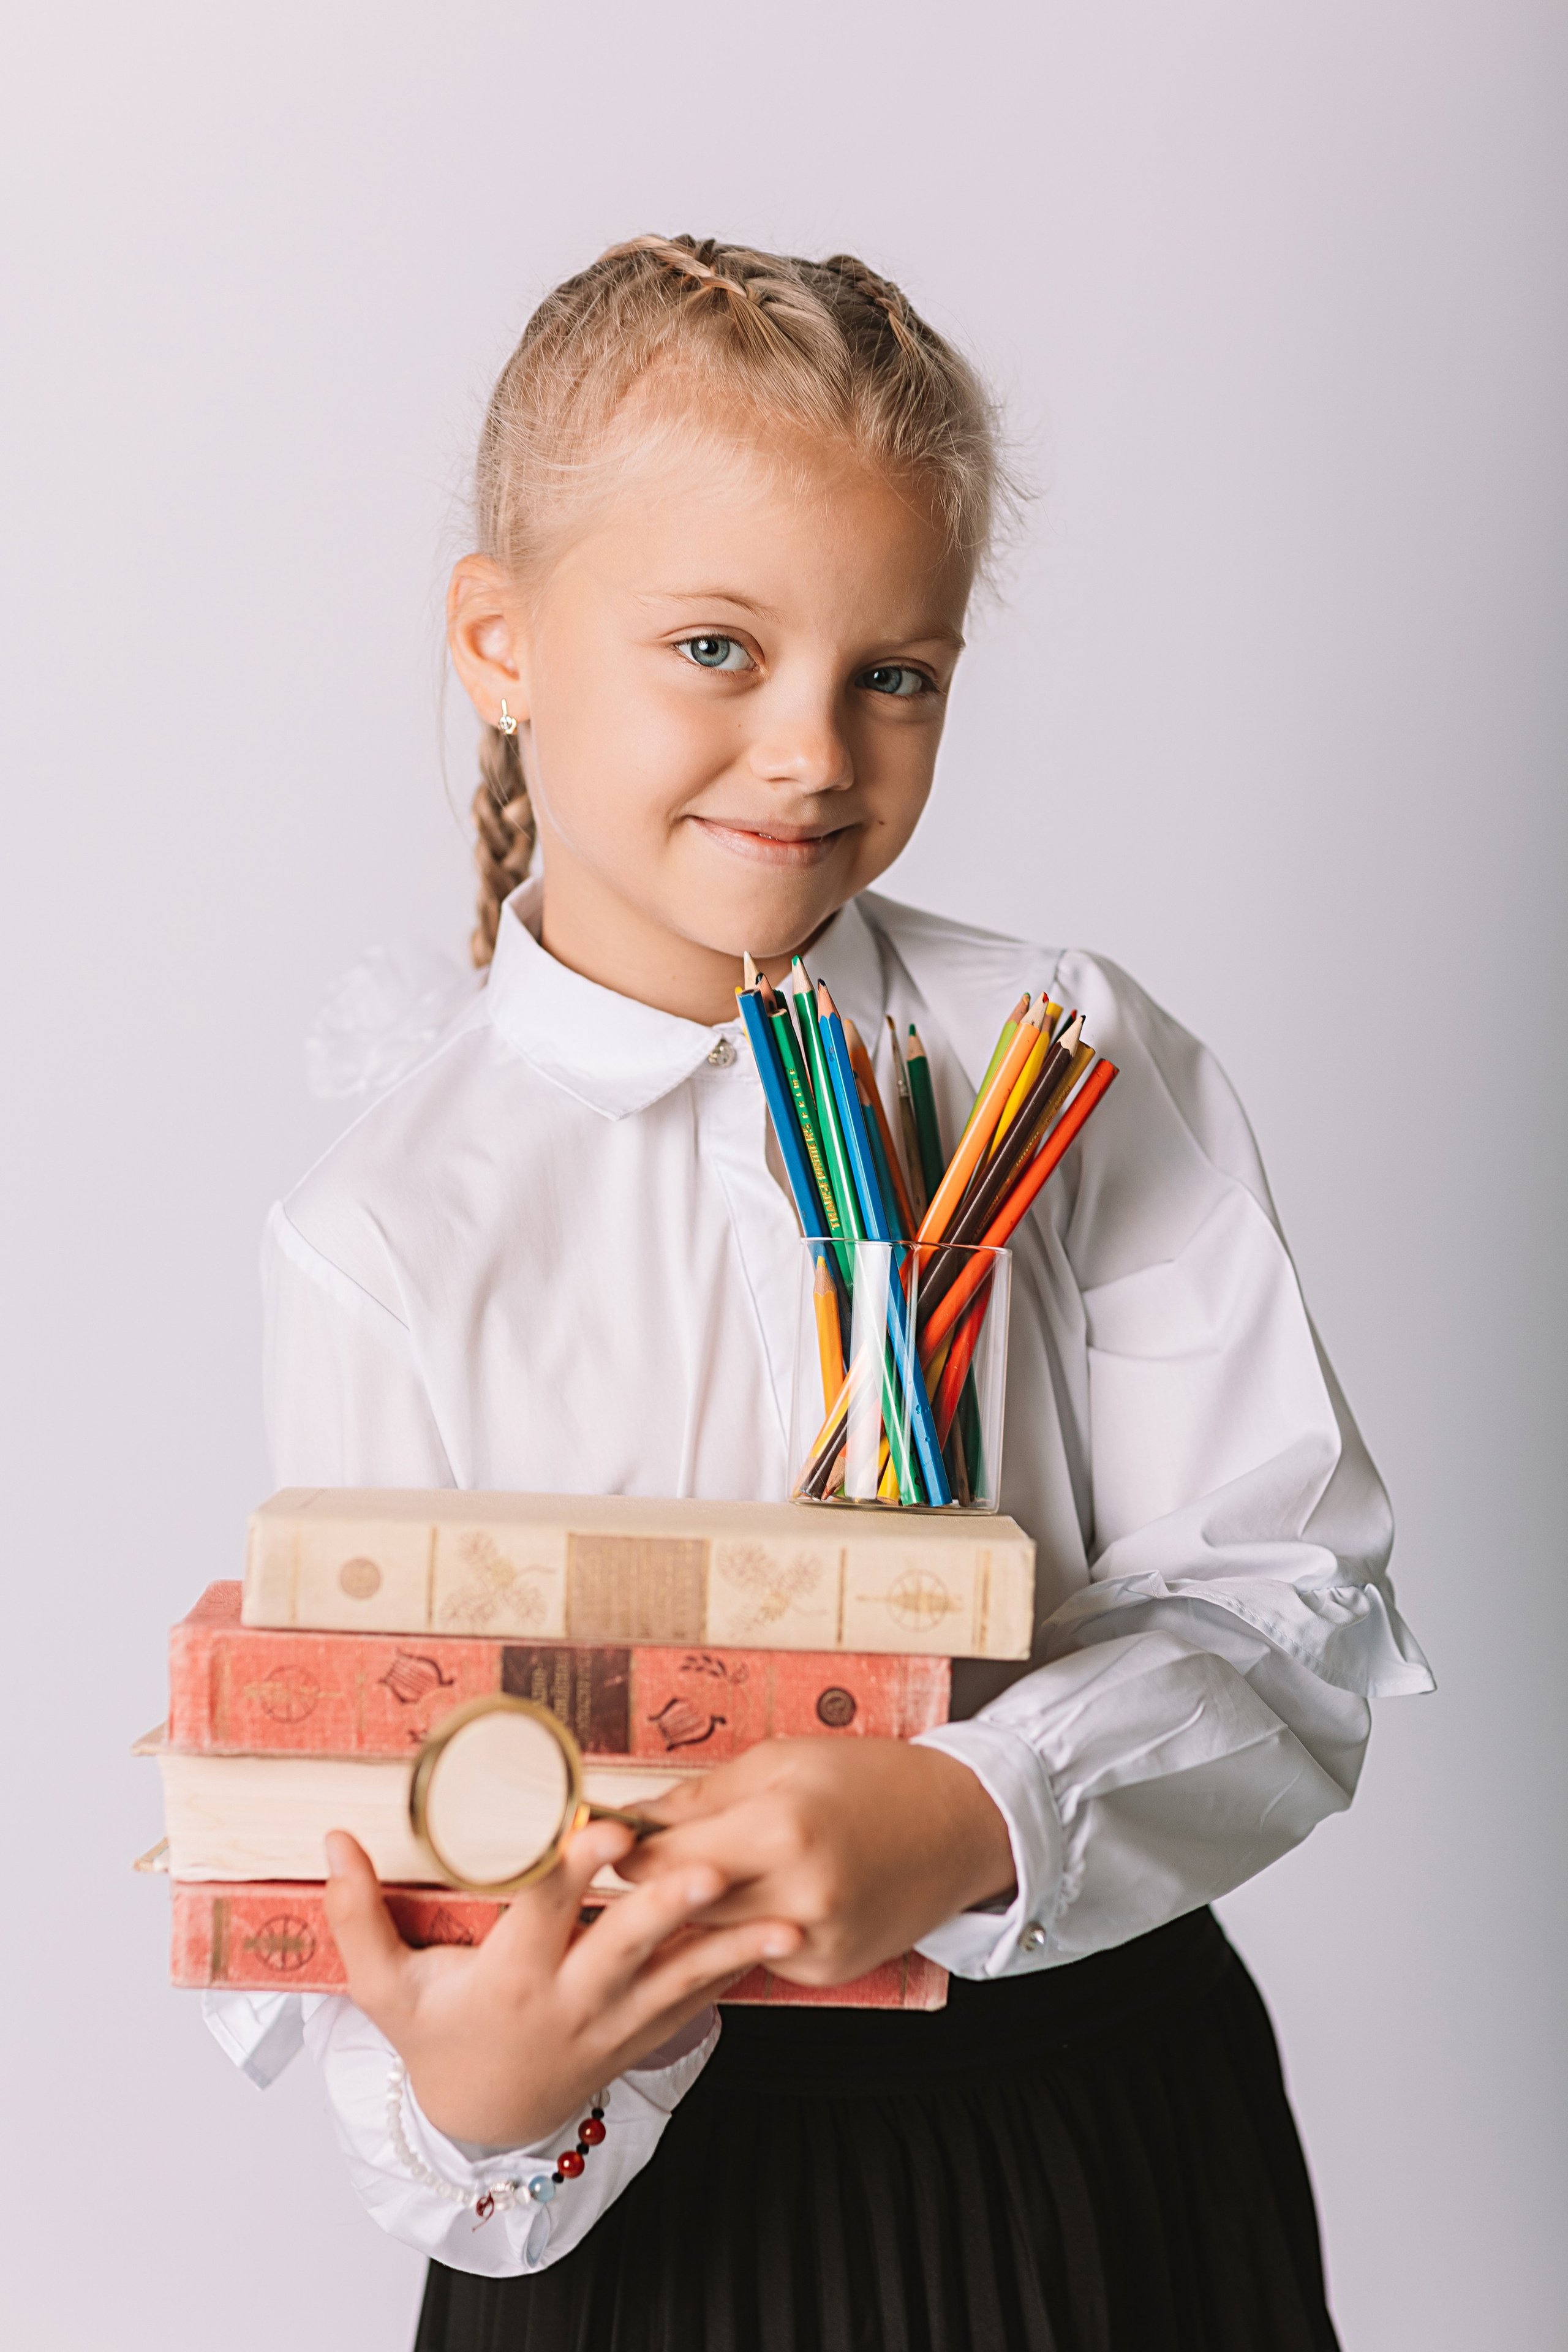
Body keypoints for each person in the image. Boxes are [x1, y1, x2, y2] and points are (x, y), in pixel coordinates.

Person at [206, 235, 1431, 2351]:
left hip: (1089, 2141)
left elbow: (1293, 1614)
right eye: (714, 645)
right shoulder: (388, 1230)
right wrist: (485, 2111)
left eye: (898, 670)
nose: (812, 751)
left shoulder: (1067, 1055)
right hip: (654, 2224)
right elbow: (387, 1833)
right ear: (500, 640)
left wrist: (974, 1807)